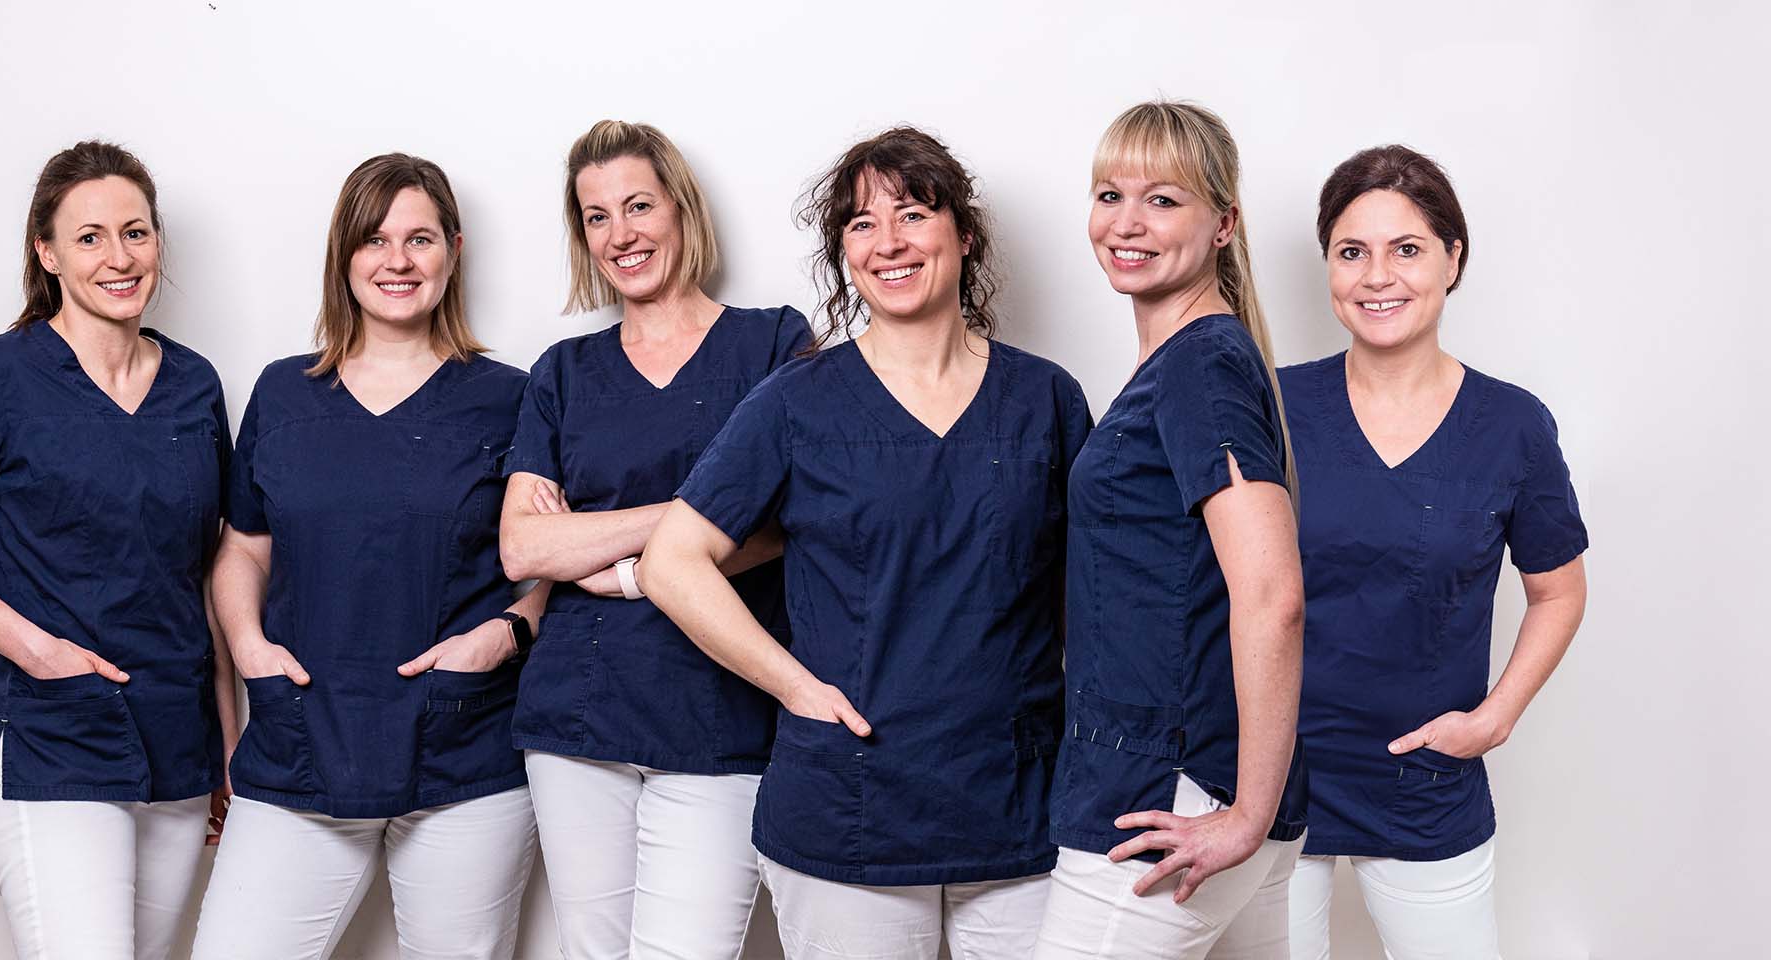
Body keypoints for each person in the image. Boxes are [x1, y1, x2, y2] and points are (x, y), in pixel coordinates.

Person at [641, 126, 1092, 959]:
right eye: (861, 224)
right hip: (850, 803)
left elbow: (1083, 600)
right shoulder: (796, 402)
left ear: (964, 233)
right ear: (844, 254)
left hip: (1018, 801)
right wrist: (794, 687)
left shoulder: (1046, 399)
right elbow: (672, 561)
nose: (888, 242)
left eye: (913, 213)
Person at [0, 141, 233, 960]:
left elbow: (204, 571)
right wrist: (39, 652)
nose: (120, 258)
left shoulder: (195, 385)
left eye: (135, 232)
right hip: (54, 735)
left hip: (178, 743)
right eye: (89, 237)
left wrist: (225, 737)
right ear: (47, 253)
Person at [191, 153, 544, 960]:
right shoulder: (284, 393)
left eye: (420, 239)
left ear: (454, 250)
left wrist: (505, 634)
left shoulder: (512, 398)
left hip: (463, 750)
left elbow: (548, 559)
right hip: (300, 736)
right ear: (343, 255)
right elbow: (244, 545)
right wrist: (248, 647)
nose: (398, 261)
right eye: (374, 239)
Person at [498, 119, 811, 959]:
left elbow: (788, 523)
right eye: (596, 216)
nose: (621, 234)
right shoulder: (563, 372)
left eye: (638, 206)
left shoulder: (774, 344)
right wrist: (696, 518)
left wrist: (621, 562)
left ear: (681, 209)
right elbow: (524, 549)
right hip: (577, 717)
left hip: (722, 711)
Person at [1281, 145, 1588, 959]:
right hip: (1271, 775)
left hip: (1424, 780)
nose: (1377, 276)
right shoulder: (1272, 404)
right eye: (1352, 252)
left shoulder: (1512, 425)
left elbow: (1558, 591)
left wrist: (1494, 719)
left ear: (1453, 259)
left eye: (1407, 249)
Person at [1033, 100, 1308, 959]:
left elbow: (1273, 594)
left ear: (1224, 223)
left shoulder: (1200, 367)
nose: (1127, 223)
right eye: (1109, 195)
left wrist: (1245, 815)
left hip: (1172, 800)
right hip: (1204, 793)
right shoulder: (1192, 360)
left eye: (1162, 200)